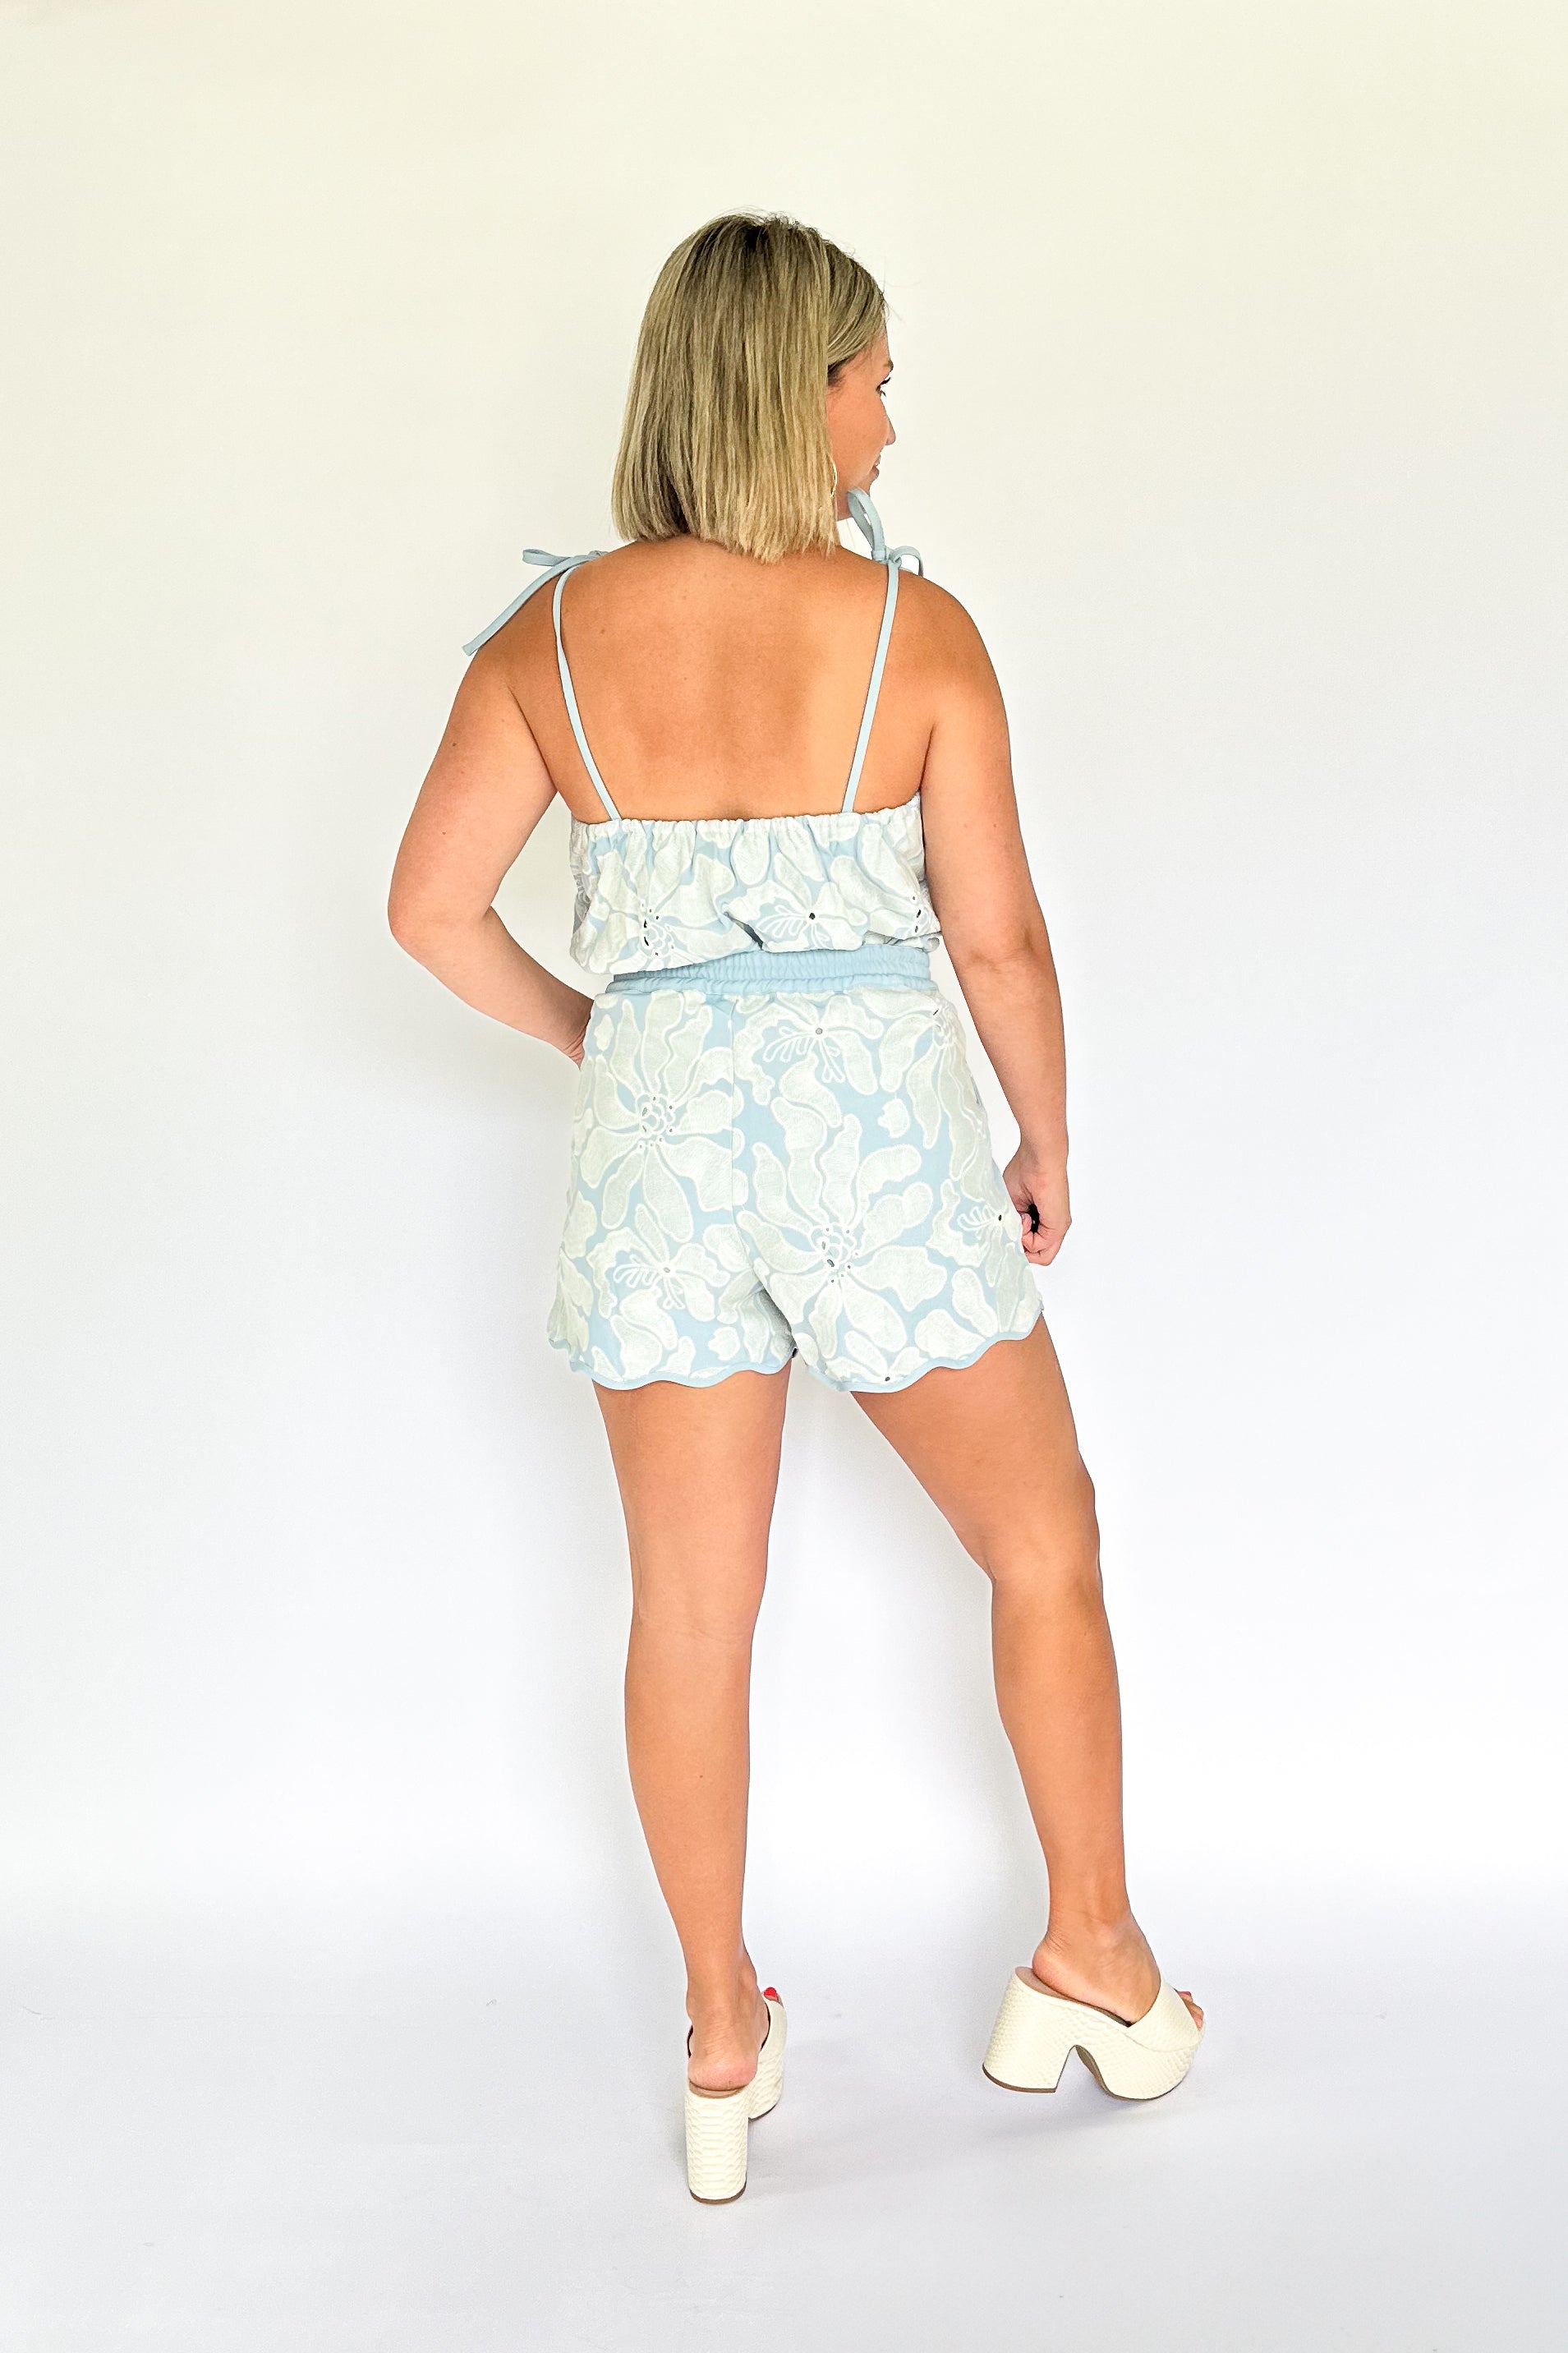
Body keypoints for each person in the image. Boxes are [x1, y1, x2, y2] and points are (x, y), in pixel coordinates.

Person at [389, 212, 1202, 2203]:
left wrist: (602, 1032)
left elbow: (426, 910)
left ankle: (719, 2034)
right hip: (874, 1143)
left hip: (659, 1144)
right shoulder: (914, 632)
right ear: (794, 388)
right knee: (1040, 1536)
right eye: (873, 383)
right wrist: (1044, 1137)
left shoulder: (547, 642)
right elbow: (995, 941)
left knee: (688, 1607)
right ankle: (1092, 1958)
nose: (890, 426)